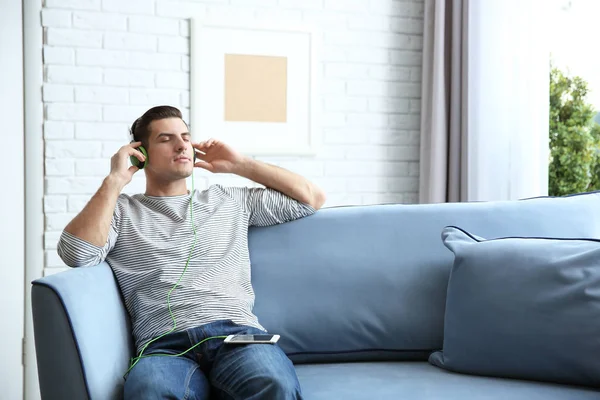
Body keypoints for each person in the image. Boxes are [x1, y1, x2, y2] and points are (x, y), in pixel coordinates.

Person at [57, 105, 326, 399]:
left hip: (237, 336)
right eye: (166, 138)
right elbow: (77, 255)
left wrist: (240, 165)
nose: (182, 144)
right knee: (151, 392)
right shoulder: (120, 211)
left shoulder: (228, 200)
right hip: (163, 346)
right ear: (141, 154)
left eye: (185, 136)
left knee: (273, 382)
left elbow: (310, 199)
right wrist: (114, 180)